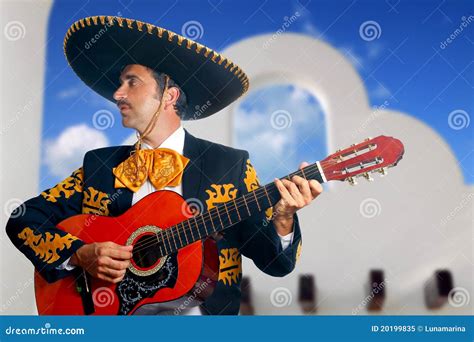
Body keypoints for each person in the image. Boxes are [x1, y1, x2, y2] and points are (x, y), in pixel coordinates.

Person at [6, 15, 323, 315]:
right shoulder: (99, 166)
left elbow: (277, 264)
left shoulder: (230, 165)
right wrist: (79, 254)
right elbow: (23, 219)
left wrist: (283, 219)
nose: (118, 94)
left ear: (169, 95)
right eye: (120, 84)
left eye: (131, 82)